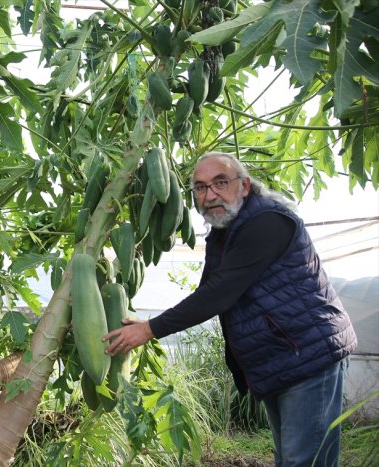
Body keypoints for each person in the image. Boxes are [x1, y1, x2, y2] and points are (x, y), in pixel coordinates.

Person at [103, 152, 357, 467]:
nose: (210, 195)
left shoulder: (266, 222)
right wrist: (147, 323)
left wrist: (150, 329)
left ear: (245, 186)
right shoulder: (224, 232)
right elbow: (208, 292)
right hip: (282, 359)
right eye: (200, 188)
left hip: (308, 355)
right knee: (292, 458)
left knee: (303, 461)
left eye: (220, 183)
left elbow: (219, 293)